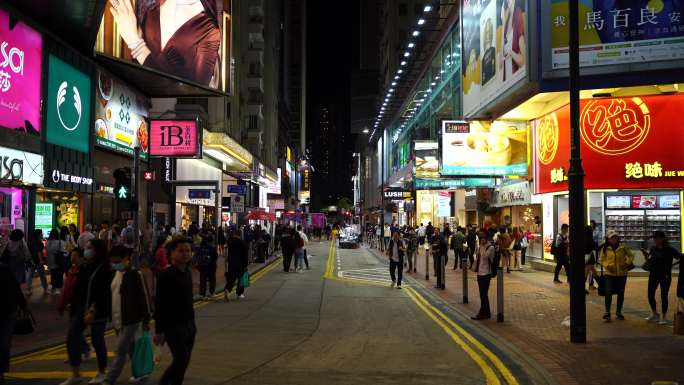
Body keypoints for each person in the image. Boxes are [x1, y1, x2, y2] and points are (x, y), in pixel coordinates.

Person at [61, 240, 111, 385]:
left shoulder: (104, 268)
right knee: (72, 337)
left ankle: (102, 372)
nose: (86, 250)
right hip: (80, 308)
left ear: (97, 250)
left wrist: (93, 310)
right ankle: (75, 374)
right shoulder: (85, 266)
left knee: (97, 340)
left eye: (90, 248)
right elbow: (79, 289)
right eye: (86, 247)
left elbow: (103, 292)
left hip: (98, 310)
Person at [103, 246, 153, 385]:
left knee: (120, 351)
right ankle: (140, 373)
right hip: (118, 320)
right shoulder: (116, 274)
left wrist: (146, 319)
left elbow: (144, 297)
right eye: (112, 261)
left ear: (127, 259)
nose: (115, 264)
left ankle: (109, 379)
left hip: (132, 320)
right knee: (131, 349)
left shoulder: (135, 275)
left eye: (117, 261)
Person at [154, 236, 196, 385]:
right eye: (181, 251)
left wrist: (192, 324)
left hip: (189, 325)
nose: (185, 253)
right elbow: (159, 304)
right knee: (180, 360)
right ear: (171, 253)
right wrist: (159, 330)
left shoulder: (187, 273)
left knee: (184, 362)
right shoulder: (166, 275)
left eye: (188, 251)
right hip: (173, 326)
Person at [58, 248, 92, 362]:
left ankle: (75, 357)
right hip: (73, 305)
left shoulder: (85, 271)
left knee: (73, 332)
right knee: (76, 331)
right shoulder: (71, 270)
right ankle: (81, 351)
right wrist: (62, 305)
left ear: (82, 258)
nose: (73, 257)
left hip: (82, 306)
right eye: (72, 255)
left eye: (75, 255)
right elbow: (66, 289)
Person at [642, 231, 681, 325]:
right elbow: (650, 260)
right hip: (653, 274)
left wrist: (672, 265)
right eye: (654, 238)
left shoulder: (670, 249)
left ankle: (663, 316)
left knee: (664, 295)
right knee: (650, 294)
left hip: (665, 275)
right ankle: (655, 313)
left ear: (662, 238)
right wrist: (645, 255)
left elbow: (680, 257)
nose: (655, 240)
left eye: (656, 238)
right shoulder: (653, 248)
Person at [0, 259, 26, 385]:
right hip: (8, 312)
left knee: (4, 344)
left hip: (7, 313)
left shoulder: (4, 269)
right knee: (4, 344)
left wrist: (23, 304)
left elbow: (15, 287)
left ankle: (1, 372)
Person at [599, 230, 634, 322]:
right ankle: (607, 312)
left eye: (615, 237)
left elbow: (631, 255)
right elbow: (601, 259)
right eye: (612, 238)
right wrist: (607, 266)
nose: (614, 239)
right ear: (608, 239)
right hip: (609, 274)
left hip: (622, 274)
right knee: (608, 292)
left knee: (621, 293)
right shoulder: (605, 248)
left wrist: (626, 263)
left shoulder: (623, 247)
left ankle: (619, 312)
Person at [472, 230, 495, 320]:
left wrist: (482, 247)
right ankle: (487, 313)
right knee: (482, 294)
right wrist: (478, 248)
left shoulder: (490, 247)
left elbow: (486, 256)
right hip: (480, 272)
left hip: (487, 273)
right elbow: (476, 256)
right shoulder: (480, 246)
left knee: (483, 294)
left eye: (483, 238)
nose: (481, 240)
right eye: (480, 238)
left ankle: (482, 313)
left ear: (486, 238)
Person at [224, 230, 248, 301]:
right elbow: (245, 255)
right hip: (240, 264)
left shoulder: (230, 242)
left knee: (231, 279)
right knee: (241, 279)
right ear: (240, 235)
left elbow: (227, 253)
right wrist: (246, 264)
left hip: (231, 264)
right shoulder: (242, 243)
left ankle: (227, 290)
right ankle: (239, 294)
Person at [27, 229, 49, 296]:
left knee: (30, 275)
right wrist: (41, 260)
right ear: (38, 235)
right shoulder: (38, 242)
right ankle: (45, 289)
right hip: (37, 261)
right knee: (42, 275)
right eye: (41, 233)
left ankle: (29, 290)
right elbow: (38, 252)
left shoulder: (30, 241)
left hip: (31, 260)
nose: (42, 235)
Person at [46, 229, 67, 295]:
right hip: (58, 261)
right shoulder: (60, 242)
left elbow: (47, 251)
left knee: (53, 274)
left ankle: (53, 288)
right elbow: (63, 251)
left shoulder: (47, 242)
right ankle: (57, 289)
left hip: (50, 261)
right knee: (59, 275)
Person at [583, 226, 598, 293]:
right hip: (589, 258)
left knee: (592, 272)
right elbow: (596, 248)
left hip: (586, 258)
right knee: (588, 273)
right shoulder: (590, 239)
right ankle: (583, 287)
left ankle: (592, 285)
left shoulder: (582, 238)